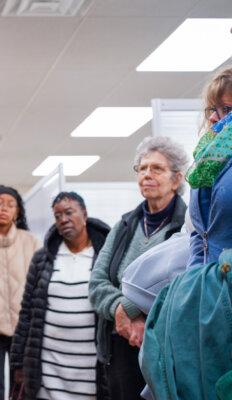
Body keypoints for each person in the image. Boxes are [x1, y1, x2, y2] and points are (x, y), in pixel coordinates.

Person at [139, 66, 232, 400]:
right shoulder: (210, 160)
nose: (218, 120)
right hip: (202, 299)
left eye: (229, 110)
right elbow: (198, 234)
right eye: (213, 110)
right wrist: (190, 288)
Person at [88, 136, 188, 400]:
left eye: (156, 168)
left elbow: (182, 290)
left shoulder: (188, 228)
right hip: (119, 348)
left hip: (165, 349)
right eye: (142, 168)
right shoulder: (123, 226)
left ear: (176, 179)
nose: (147, 174)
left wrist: (129, 309)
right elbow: (97, 283)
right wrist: (120, 310)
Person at [11, 192, 110, 399]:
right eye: (57, 216)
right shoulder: (43, 258)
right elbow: (27, 311)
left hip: (89, 368)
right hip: (50, 366)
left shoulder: (105, 256)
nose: (63, 219)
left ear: (84, 214)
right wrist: (18, 361)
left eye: (69, 212)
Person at [0, 185, 40, 400]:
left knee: (22, 390)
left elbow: (40, 284)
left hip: (24, 331)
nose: (4, 208)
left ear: (18, 211)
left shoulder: (32, 242)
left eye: (10, 204)